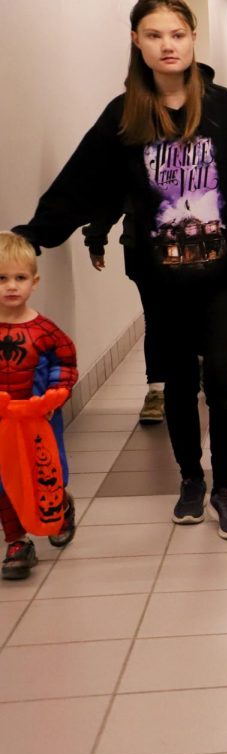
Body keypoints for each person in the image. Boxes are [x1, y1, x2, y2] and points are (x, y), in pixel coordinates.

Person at [13, 0, 227, 541]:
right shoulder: (125, 116)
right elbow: (82, 184)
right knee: (180, 383)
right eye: (154, 34)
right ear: (137, 42)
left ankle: (226, 488)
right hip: (160, 277)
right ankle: (190, 479)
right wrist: (33, 235)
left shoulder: (226, 110)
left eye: (178, 34)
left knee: (222, 383)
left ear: (192, 40)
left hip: (224, 274)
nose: (168, 44)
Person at [0, 232, 79, 579]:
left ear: (34, 282)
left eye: (19, 278)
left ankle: (58, 506)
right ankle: (17, 541)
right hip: (3, 422)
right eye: (1, 279)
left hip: (39, 419)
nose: (11, 287)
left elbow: (66, 362)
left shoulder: (46, 331)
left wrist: (56, 394)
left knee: (48, 470)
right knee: (5, 479)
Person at [82, 202, 169, 425]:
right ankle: (157, 390)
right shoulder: (134, 165)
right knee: (157, 319)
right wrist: (96, 239)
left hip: (198, 246)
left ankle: (201, 362)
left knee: (194, 313)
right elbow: (113, 194)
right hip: (145, 250)